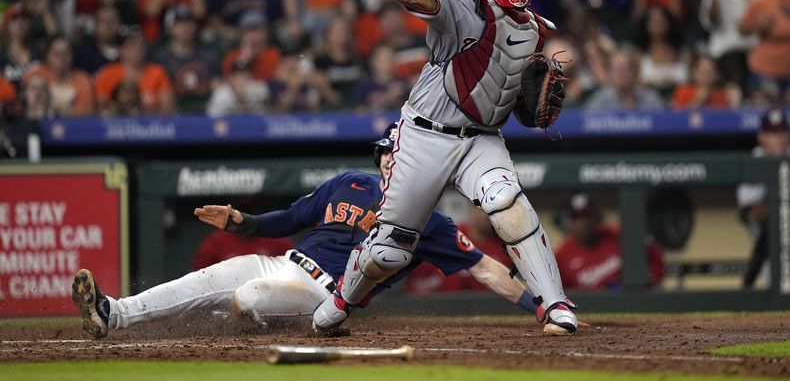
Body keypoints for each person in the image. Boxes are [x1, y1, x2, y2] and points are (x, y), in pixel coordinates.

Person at [310, 0, 578, 335]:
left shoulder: (539, 31)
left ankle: (555, 304)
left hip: (482, 139)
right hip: (424, 135)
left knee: (510, 207)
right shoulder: (462, 6)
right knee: (389, 252)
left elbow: (505, 93)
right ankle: (343, 298)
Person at [71, 125, 539, 339]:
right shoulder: (347, 184)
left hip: (325, 294)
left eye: (402, 154)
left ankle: (234, 322)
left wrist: (540, 305)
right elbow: (291, 219)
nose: (392, 160)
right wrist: (243, 222)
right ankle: (113, 314)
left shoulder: (428, 221)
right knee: (202, 282)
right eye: (388, 153)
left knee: (249, 299)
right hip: (282, 264)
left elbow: (484, 269)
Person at [554, 193, 664, 291]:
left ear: (597, 217)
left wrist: (653, 278)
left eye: (587, 216)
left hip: (632, 303)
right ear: (568, 222)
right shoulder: (561, 256)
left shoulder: (617, 235)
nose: (583, 223)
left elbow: (654, 253)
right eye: (576, 218)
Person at [736, 107, 790, 288]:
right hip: (770, 247)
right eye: (773, 134)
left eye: (783, 133)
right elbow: (755, 213)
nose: (780, 139)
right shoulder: (753, 163)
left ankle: (747, 283)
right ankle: (747, 283)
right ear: (762, 137)